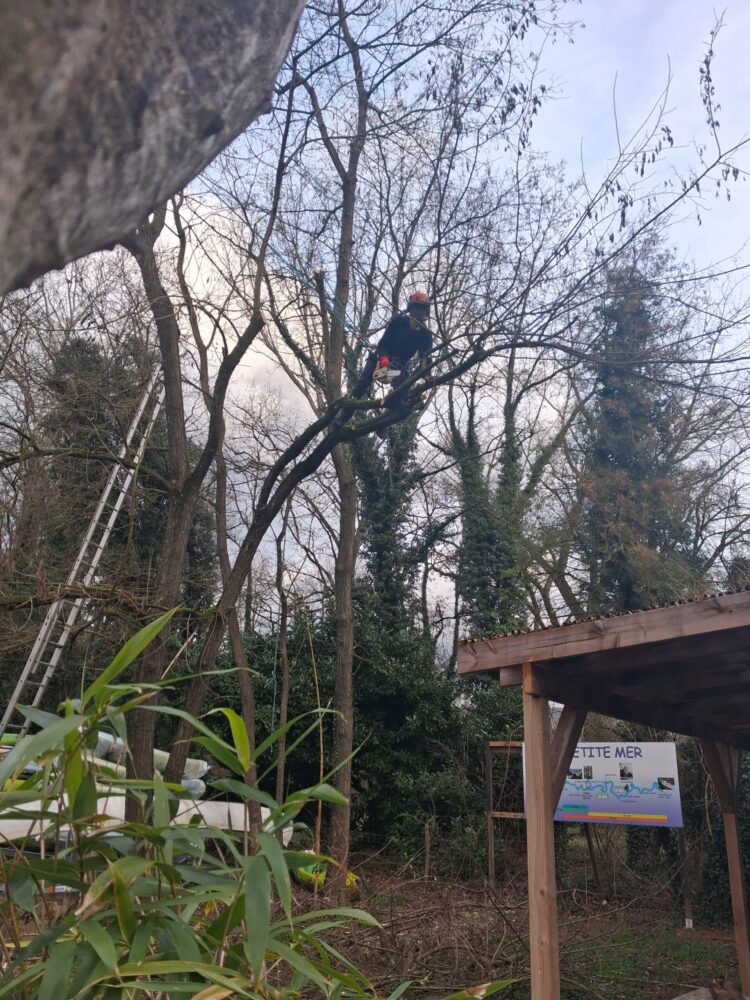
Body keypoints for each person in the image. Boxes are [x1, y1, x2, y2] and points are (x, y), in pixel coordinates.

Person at [352, 291, 433, 399]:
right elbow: (383, 343)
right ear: (411, 308)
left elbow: (425, 357)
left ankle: (395, 406)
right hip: (380, 358)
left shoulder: (425, 334)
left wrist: (426, 374)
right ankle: (348, 406)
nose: (420, 311)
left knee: (402, 395)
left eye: (423, 308)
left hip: (399, 366)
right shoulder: (398, 322)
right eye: (418, 307)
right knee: (360, 387)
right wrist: (384, 358)